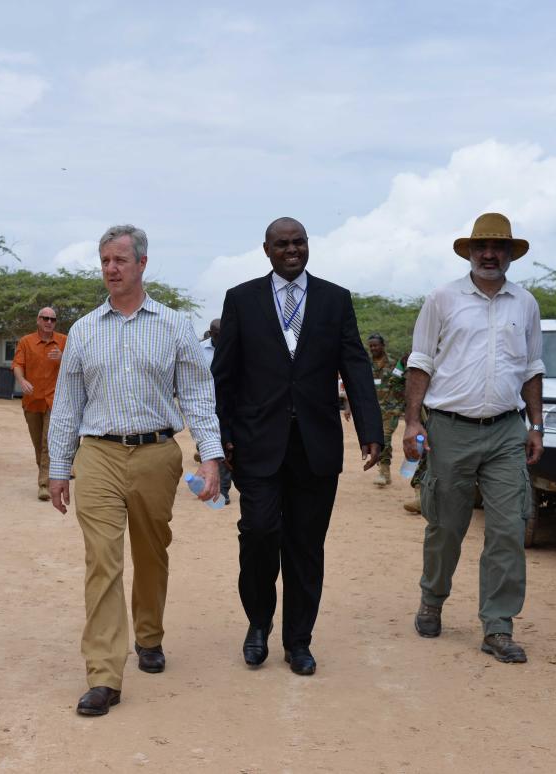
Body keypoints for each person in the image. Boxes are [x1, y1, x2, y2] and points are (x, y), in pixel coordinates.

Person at [47, 224, 223, 717]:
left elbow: (196, 396)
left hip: (155, 454)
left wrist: (211, 458)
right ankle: (104, 673)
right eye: (104, 260)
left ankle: (149, 634)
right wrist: (58, 468)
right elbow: (66, 405)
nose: (110, 269)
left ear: (142, 263)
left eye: (120, 260)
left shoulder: (173, 326)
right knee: (102, 559)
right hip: (98, 454)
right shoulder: (83, 329)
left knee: (151, 551)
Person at [212, 216, 382, 676]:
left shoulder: (334, 299)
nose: (292, 250)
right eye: (283, 244)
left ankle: (298, 640)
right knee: (260, 533)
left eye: (299, 242)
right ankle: (258, 623)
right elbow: (224, 376)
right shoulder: (241, 300)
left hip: (316, 445)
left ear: (309, 246)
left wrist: (371, 428)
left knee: (307, 545)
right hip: (257, 443)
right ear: (266, 250)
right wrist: (221, 434)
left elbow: (355, 365)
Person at [402, 212, 544, 664]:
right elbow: (420, 361)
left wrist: (536, 425)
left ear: (509, 255)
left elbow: (532, 369)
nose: (489, 255)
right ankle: (433, 598)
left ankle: (498, 626)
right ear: (468, 252)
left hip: (506, 429)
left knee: (507, 529)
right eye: (481, 247)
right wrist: (412, 422)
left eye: (498, 248)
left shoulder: (525, 303)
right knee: (446, 526)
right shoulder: (442, 299)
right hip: (449, 428)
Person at [12, 307, 67, 501]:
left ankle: (44, 484)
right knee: (38, 444)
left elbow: (77, 363)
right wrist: (22, 381)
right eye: (45, 318)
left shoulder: (63, 341)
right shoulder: (26, 342)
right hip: (32, 401)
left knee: (47, 443)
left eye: (52, 319)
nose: (49, 322)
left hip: (54, 401)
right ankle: (45, 472)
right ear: (38, 320)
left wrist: (63, 358)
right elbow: (18, 364)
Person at [199, 318, 233, 504]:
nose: (221, 338)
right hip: (207, 404)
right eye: (218, 335)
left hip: (228, 405)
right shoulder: (200, 350)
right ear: (211, 333)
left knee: (226, 445)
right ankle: (220, 488)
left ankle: (224, 489)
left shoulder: (233, 347)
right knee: (215, 445)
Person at [366, 333, 406, 487]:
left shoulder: (394, 364)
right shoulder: (367, 364)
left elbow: (402, 383)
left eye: (376, 345)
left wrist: (403, 404)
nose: (373, 348)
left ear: (382, 345)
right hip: (373, 410)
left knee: (385, 437)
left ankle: (384, 472)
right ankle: (384, 470)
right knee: (376, 440)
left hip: (391, 409)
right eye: (371, 346)